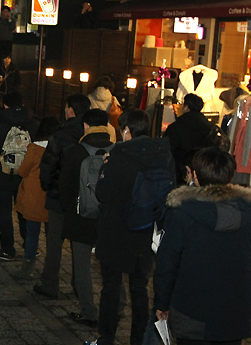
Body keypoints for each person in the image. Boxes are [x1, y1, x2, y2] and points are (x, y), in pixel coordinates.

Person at [88, 109, 175, 345]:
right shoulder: (164, 154)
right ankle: (138, 339)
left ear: (126, 131)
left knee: (111, 288)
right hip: (145, 231)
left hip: (116, 231)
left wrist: (105, 169)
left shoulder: (120, 154)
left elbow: (103, 193)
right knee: (140, 289)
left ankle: (106, 337)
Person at [154, 147, 251, 345]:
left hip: (192, 309)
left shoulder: (182, 212)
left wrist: (162, 303)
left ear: (195, 175)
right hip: (236, 310)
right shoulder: (250, 211)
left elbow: (167, 263)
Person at [59, 109, 115, 327]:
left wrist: (69, 209)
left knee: (81, 266)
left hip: (80, 215)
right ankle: (116, 308)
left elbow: (65, 185)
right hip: (108, 217)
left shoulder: (76, 151)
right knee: (111, 266)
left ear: (85, 126)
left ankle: (89, 310)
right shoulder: (117, 151)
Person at [35, 93, 91, 298]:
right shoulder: (91, 135)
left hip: (59, 195)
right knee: (79, 244)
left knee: (54, 242)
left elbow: (49, 165)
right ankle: (80, 285)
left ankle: (50, 284)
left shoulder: (60, 135)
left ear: (71, 110)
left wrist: (47, 186)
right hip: (83, 197)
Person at [0, 91, 38, 261]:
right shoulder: (33, 122)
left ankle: (7, 249)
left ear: (5, 105)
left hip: (2, 174)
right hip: (24, 174)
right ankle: (29, 244)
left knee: (5, 212)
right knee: (23, 210)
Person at [13, 116, 59, 278]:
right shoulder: (59, 149)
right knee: (51, 235)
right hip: (51, 197)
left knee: (32, 233)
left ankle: (27, 268)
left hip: (33, 196)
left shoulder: (34, 148)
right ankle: (51, 268)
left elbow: (22, 171)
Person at [163, 93, 220, 185]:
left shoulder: (176, 126)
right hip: (204, 170)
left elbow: (167, 149)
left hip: (179, 172)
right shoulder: (210, 127)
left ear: (186, 107)